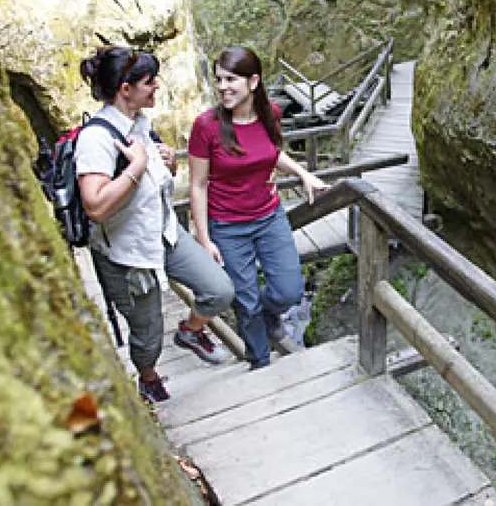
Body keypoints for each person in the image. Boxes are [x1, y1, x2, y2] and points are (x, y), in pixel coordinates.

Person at [75, 46, 236, 403]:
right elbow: (96, 206)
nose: (157, 87)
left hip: (164, 234)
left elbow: (159, 181)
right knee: (148, 336)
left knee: (220, 290)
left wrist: (168, 163)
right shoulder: (96, 139)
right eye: (149, 82)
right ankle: (147, 378)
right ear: (125, 88)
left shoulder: (141, 125)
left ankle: (191, 332)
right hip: (128, 253)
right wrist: (135, 167)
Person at [188, 46, 327, 370]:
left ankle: (269, 316)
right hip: (226, 225)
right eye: (219, 80)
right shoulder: (205, 126)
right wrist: (204, 239)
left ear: (253, 81)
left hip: (269, 216)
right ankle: (260, 363)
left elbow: (270, 153)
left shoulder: (271, 114)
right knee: (245, 300)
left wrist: (303, 173)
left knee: (289, 290)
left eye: (231, 79)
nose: (222, 87)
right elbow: (198, 185)